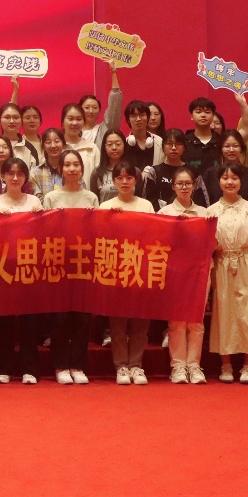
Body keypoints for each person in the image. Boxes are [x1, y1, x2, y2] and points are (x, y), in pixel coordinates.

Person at [206, 162, 248, 384]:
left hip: (246, 265)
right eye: (225, 178)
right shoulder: (211, 211)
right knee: (223, 314)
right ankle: (226, 365)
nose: (230, 182)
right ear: (219, 182)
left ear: (241, 182)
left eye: (234, 178)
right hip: (221, 265)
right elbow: (204, 244)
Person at [42, 149, 99, 384]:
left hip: (83, 263)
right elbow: (45, 231)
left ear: (82, 169)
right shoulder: (51, 198)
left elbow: (98, 231)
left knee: (82, 318)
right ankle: (60, 366)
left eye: (76, 165)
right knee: (60, 318)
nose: (72, 169)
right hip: (58, 263)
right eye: (67, 165)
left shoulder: (91, 198)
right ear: (60, 170)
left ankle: (78, 365)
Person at [0, 159, 43, 384]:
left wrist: (40, 217)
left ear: (26, 177)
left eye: (20, 174)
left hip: (29, 265)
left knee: (30, 321)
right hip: (4, 266)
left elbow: (43, 234)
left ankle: (30, 369)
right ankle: (3, 368)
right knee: (6, 321)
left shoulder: (34, 201)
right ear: (3, 176)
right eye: (11, 173)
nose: (15, 178)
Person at [99, 161, 155, 384]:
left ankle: (136, 365)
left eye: (129, 178)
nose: (124, 182)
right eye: (120, 178)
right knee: (118, 323)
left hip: (141, 267)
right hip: (116, 268)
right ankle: (121, 366)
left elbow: (155, 235)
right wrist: (110, 220)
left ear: (135, 180)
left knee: (141, 321)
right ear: (113, 181)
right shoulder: (106, 207)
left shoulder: (146, 205)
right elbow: (99, 238)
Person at [159, 167, 208, 383]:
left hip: (199, 272)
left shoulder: (205, 213)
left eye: (188, 183)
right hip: (175, 272)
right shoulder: (164, 213)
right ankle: (178, 366)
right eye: (180, 183)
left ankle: (194, 365)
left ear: (194, 186)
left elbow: (215, 245)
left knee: (196, 321)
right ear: (173, 186)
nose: (184, 187)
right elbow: (158, 244)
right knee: (177, 321)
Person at [194, 130, 248, 206]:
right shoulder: (210, 174)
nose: (231, 150)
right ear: (221, 148)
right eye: (227, 146)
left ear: (241, 148)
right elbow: (202, 201)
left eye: (235, 146)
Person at [79, 61, 124, 144]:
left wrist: (113, 72)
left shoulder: (106, 128)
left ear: (99, 110)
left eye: (95, 108)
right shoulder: (73, 132)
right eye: (87, 108)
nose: (91, 111)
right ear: (80, 110)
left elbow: (115, 102)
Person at [60, 104, 99, 185]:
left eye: (79, 119)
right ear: (62, 122)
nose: (74, 123)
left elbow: (98, 178)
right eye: (70, 119)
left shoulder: (92, 148)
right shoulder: (56, 148)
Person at [123, 100, 163, 171]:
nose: (138, 119)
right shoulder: (124, 144)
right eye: (133, 116)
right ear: (128, 120)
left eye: (142, 115)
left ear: (147, 117)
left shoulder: (159, 142)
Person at [29, 127, 67, 198]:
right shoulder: (35, 173)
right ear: (43, 147)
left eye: (57, 141)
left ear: (64, 145)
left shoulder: (71, 170)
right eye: (48, 142)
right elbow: (36, 198)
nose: (53, 145)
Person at [90, 130, 127, 202]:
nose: (114, 147)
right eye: (110, 144)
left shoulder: (135, 172)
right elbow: (94, 202)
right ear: (105, 147)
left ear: (124, 145)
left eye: (118, 144)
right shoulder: (97, 173)